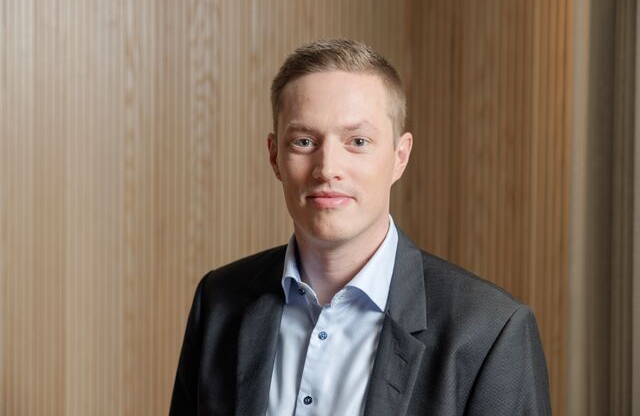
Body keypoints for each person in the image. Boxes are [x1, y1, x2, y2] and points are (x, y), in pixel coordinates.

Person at [169, 39, 551, 415]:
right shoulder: (218, 301)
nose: (327, 169)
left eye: (358, 141)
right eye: (304, 141)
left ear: (400, 156)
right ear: (274, 157)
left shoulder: (490, 331)